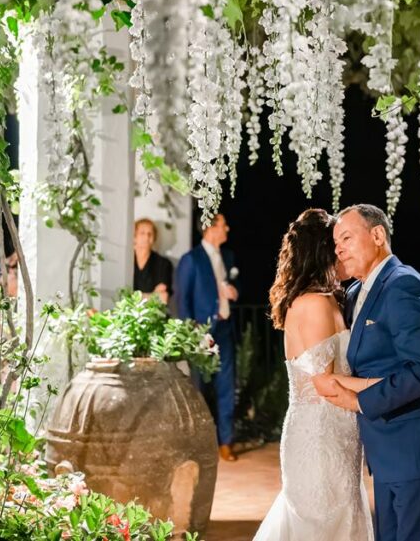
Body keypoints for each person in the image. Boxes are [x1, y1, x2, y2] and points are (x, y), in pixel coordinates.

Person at [316, 203, 420, 541]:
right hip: (387, 452)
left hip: (418, 449)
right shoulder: (356, 292)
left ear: (378, 235)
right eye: (336, 242)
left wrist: (359, 401)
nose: (338, 248)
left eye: (347, 238)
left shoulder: (404, 287)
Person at [253, 209, 373, 541]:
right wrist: (381, 386)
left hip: (337, 432)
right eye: (337, 244)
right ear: (323, 251)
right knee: (322, 524)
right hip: (320, 437)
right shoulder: (315, 304)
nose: (343, 250)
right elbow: (324, 383)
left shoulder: (326, 299)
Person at [175, 212, 240, 462]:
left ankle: (226, 442)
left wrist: (235, 292)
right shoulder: (190, 260)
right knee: (199, 389)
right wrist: (193, 334)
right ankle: (200, 444)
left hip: (224, 329)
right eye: (224, 224)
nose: (228, 228)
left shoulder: (229, 256)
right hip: (201, 333)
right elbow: (183, 301)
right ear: (210, 228)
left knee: (226, 386)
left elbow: (236, 287)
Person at [133, 218, 173, 304]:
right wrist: (151, 296)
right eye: (142, 233)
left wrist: (133, 298)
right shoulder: (127, 262)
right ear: (134, 236)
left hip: (154, 315)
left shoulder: (163, 264)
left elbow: (163, 299)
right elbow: (121, 295)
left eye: (150, 233)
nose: (147, 237)